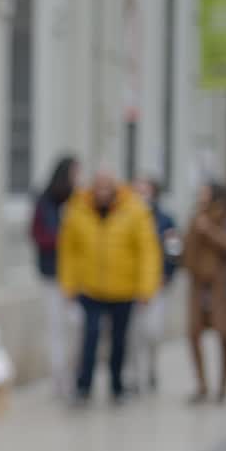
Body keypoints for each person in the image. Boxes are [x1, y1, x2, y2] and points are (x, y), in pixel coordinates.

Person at [57, 168, 160, 406]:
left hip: (123, 288)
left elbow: (147, 251)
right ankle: (84, 386)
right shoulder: (79, 209)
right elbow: (69, 251)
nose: (102, 192)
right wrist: (69, 285)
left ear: (114, 187)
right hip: (91, 288)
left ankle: (116, 385)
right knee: (90, 337)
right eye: (98, 186)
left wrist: (146, 288)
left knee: (118, 340)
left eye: (107, 187)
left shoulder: (134, 210)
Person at [182, 181, 226, 404]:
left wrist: (210, 230)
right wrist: (196, 228)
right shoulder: (197, 217)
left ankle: (223, 386)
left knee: (224, 336)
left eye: (205, 193)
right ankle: (202, 385)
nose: (201, 197)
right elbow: (188, 251)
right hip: (199, 287)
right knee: (193, 334)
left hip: (221, 288)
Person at [29, 155, 80, 398]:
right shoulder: (45, 200)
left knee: (76, 326)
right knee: (56, 328)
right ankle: (59, 378)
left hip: (77, 277)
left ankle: (73, 374)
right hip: (52, 273)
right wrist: (63, 240)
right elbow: (38, 234)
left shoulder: (79, 200)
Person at [125, 175, 180, 393]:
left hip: (156, 285)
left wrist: (167, 274)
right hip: (131, 286)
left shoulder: (165, 220)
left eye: (144, 190)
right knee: (133, 334)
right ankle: (135, 376)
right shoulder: (125, 217)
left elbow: (174, 250)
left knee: (152, 331)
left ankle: (151, 367)